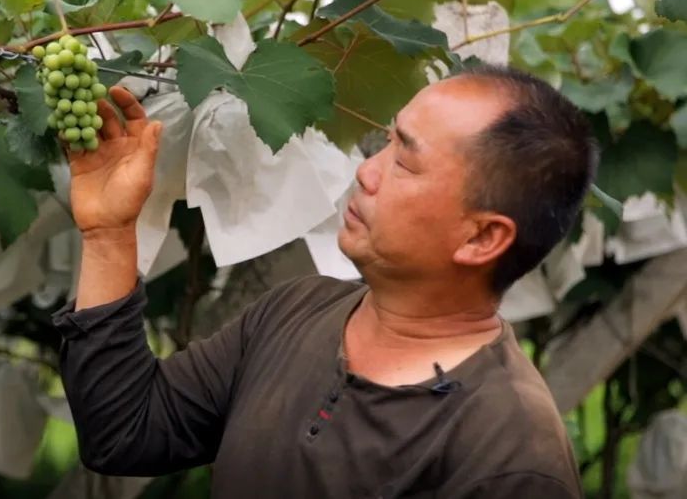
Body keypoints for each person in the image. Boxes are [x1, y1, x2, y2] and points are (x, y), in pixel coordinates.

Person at [50, 64, 597, 498]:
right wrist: (109, 235)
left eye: (404, 164)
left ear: (481, 238)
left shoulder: (510, 456)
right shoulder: (298, 309)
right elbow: (125, 433)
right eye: (384, 143)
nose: (366, 170)